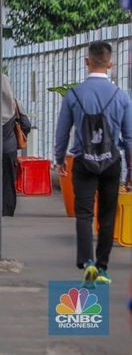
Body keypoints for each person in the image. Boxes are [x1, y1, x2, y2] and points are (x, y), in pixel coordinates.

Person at [54, 40, 132, 285]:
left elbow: (62, 131)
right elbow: (129, 137)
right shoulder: (121, 96)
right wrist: (130, 171)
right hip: (111, 162)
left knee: (84, 213)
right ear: (110, 64)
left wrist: (59, 159)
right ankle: (102, 266)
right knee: (107, 215)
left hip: (83, 162)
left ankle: (87, 262)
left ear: (87, 61)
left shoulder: (74, 95)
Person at [1, 74, 30, 217]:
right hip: (9, 147)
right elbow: (26, 124)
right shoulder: (15, 103)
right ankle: (8, 209)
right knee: (9, 179)